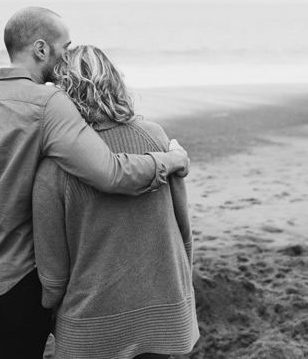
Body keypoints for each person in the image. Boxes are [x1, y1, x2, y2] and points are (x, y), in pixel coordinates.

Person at [0, 7, 191, 359]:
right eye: (65, 46)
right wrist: (171, 160)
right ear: (42, 49)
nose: (65, 58)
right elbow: (110, 173)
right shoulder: (50, 104)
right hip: (14, 281)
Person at [33, 45, 200, 359]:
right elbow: (183, 230)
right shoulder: (156, 138)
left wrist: (50, 309)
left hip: (91, 323)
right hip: (163, 308)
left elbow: (53, 272)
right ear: (114, 81)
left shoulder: (54, 165)